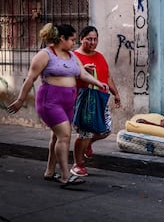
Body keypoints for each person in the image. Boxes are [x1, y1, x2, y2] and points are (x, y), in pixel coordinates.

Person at [7, 23, 108, 187]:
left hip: (68, 102)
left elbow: (82, 73)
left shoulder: (71, 56)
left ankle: (49, 171)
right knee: (65, 136)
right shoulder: (45, 54)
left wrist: (98, 83)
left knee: (56, 136)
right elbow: (30, 78)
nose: (74, 43)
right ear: (62, 38)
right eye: (72, 40)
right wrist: (20, 100)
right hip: (50, 101)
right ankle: (65, 175)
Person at [70, 26, 121, 177]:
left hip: (100, 98)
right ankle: (77, 164)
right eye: (89, 39)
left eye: (95, 39)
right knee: (85, 132)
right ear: (81, 39)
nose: (92, 42)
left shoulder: (99, 56)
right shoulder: (74, 57)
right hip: (84, 99)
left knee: (106, 129)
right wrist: (82, 71)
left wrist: (116, 93)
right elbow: (66, 78)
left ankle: (88, 145)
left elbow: (108, 76)